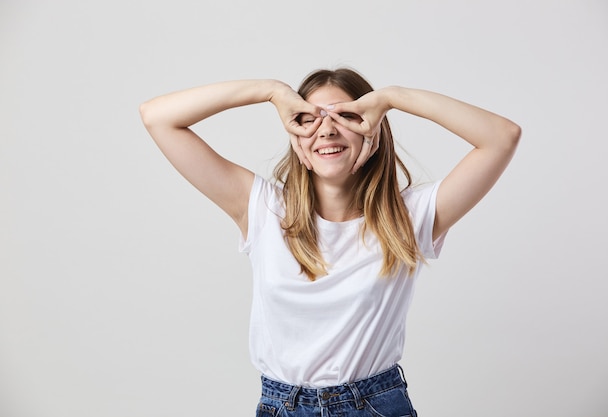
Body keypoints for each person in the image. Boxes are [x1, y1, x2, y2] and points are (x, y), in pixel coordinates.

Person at [139, 67, 521, 417]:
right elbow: (159, 117)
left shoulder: (410, 216)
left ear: (372, 129)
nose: (326, 130)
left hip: (375, 405)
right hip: (281, 406)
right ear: (293, 133)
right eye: (309, 118)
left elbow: (502, 137)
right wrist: (270, 91)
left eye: (346, 116)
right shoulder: (262, 208)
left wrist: (391, 98)